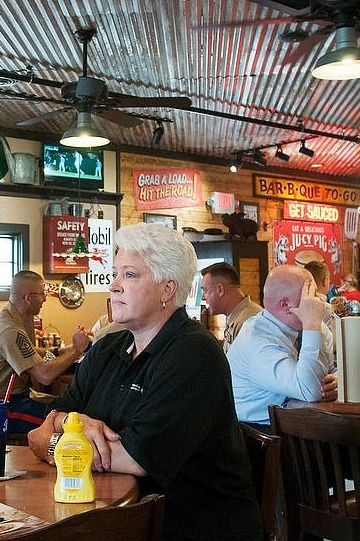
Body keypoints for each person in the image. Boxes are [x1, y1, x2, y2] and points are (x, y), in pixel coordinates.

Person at [27, 222, 261, 541]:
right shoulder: (108, 348)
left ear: (167, 288)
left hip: (190, 526)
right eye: (115, 273)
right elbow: (49, 419)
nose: (114, 286)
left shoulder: (193, 353)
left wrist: (54, 442)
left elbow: (134, 459)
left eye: (130, 275)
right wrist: (71, 420)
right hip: (115, 516)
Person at [0, 270, 90, 433]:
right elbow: (45, 376)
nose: (45, 299)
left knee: (69, 408)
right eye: (42, 294)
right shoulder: (9, 328)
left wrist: (62, 350)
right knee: (72, 423)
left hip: (17, 398)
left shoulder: (10, 317)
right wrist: (77, 350)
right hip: (1, 408)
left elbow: (29, 351)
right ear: (28, 298)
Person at [226, 264, 337, 429]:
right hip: (260, 437)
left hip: (296, 426)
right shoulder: (258, 341)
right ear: (285, 305)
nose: (319, 302)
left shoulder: (300, 326)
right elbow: (310, 390)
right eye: (310, 296)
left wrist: (336, 382)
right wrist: (312, 324)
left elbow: (330, 369)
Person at [200, 261, 262, 351]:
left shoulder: (249, 322)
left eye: (205, 290)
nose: (202, 297)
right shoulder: (237, 318)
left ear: (220, 290)